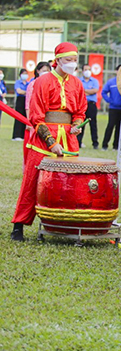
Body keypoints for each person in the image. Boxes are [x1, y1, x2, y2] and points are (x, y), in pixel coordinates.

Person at [11, 43, 86, 241]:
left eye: (75, 60)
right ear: (58, 60)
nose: (72, 63)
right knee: (32, 182)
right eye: (68, 59)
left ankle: (59, 225)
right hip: (44, 138)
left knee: (66, 184)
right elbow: (36, 115)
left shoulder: (77, 84)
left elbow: (80, 112)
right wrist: (51, 142)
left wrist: (77, 125)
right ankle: (18, 226)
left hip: (69, 139)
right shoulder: (42, 82)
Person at [23, 62, 52, 168]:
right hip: (35, 119)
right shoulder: (33, 84)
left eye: (48, 71)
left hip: (47, 119)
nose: (46, 73)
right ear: (38, 71)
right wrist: (28, 121)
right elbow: (28, 105)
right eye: (44, 70)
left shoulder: (51, 84)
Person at [101, 64, 121, 151]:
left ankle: (116, 146)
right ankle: (104, 145)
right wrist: (110, 101)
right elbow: (103, 92)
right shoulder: (111, 82)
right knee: (110, 126)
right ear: (116, 71)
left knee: (120, 128)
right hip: (113, 108)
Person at [77, 64, 100, 149]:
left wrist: (84, 91)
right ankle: (78, 142)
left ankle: (95, 143)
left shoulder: (94, 81)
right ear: (82, 71)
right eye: (85, 69)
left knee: (93, 124)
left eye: (89, 69)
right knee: (80, 123)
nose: (87, 71)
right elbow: (78, 91)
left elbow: (95, 90)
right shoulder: (79, 81)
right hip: (82, 104)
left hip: (91, 105)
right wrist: (88, 91)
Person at [12, 68, 29, 141]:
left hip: (26, 100)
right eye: (23, 73)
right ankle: (16, 135)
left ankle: (23, 135)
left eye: (26, 73)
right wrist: (26, 92)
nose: (25, 75)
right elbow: (19, 91)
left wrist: (25, 92)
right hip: (20, 100)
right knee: (18, 117)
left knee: (25, 117)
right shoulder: (18, 82)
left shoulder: (28, 83)